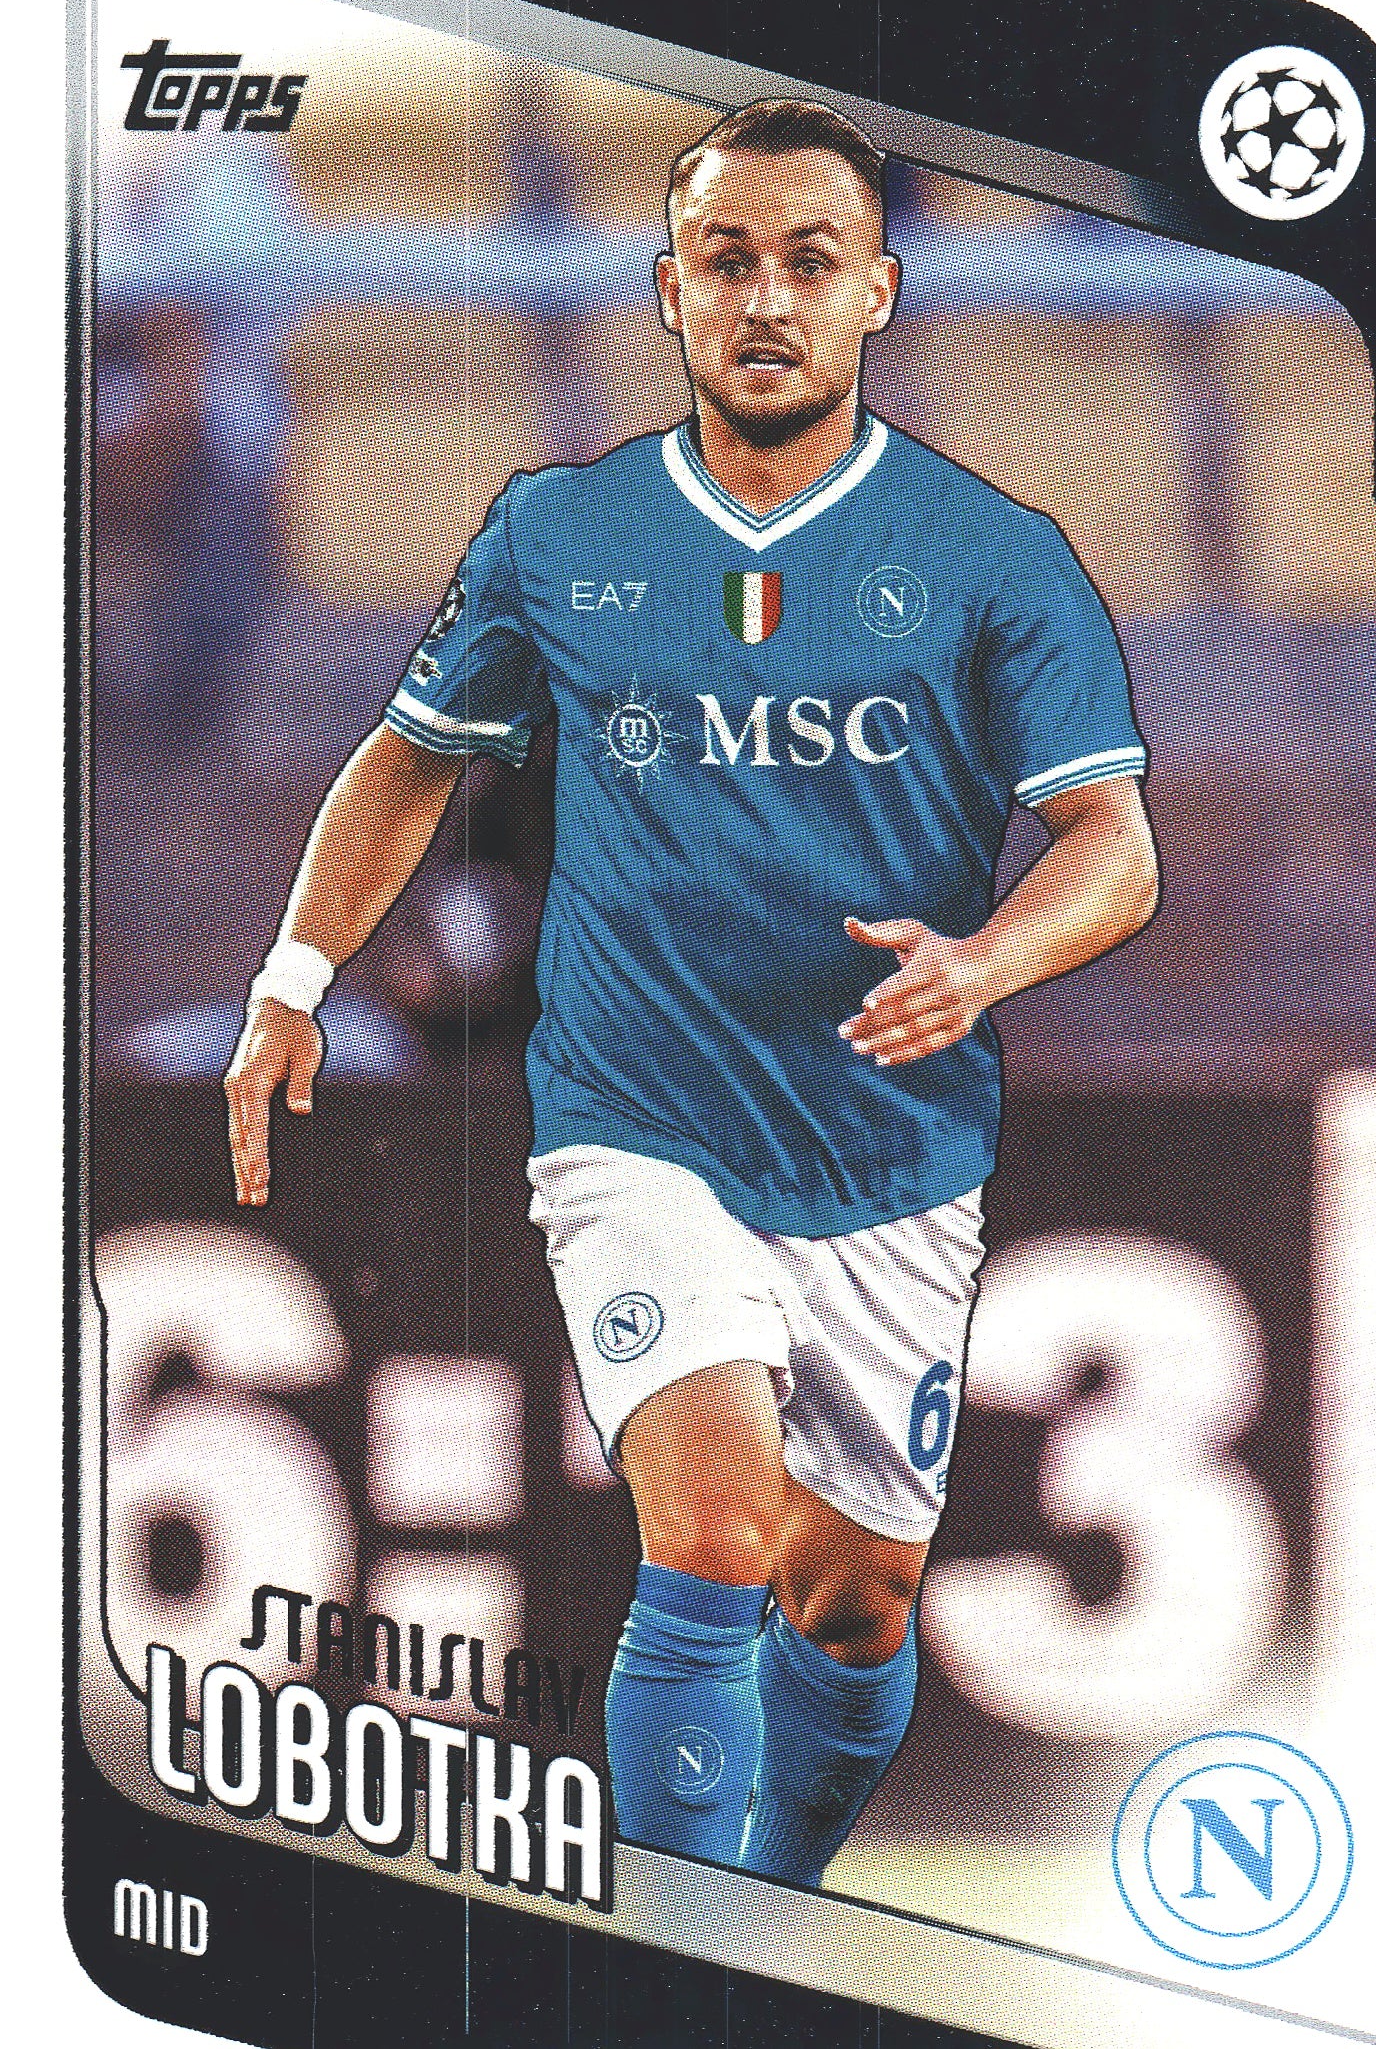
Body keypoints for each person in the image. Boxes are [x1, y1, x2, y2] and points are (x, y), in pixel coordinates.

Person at [225, 99, 1158, 1890]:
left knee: (855, 1600)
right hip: (635, 1127)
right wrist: (293, 980)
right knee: (716, 1537)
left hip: (890, 1157)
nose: (767, 299)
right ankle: (673, 1958)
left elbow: (1114, 851)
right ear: (670, 291)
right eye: (727, 260)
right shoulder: (556, 532)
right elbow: (410, 758)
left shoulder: (996, 555)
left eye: (811, 260)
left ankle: (776, 1896)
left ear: (878, 291)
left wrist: (985, 963)